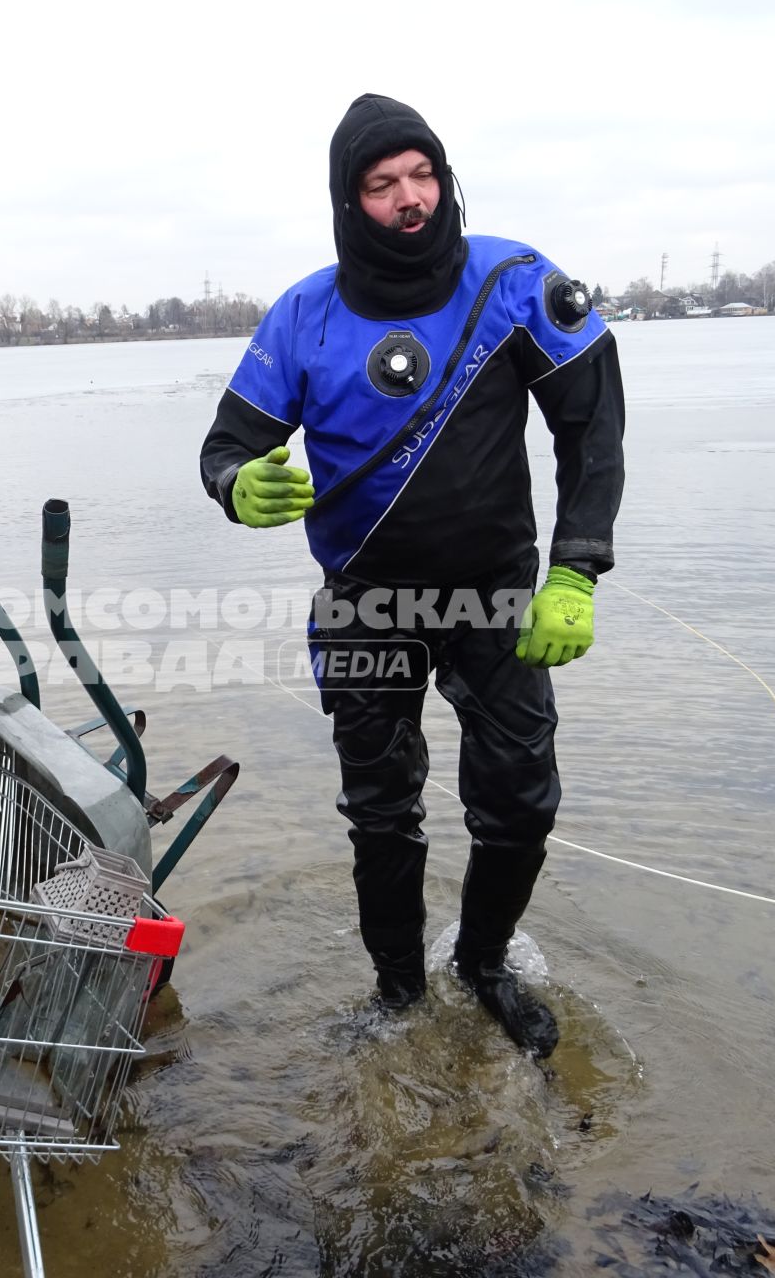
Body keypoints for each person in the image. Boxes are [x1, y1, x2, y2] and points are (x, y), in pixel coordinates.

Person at [199, 94, 624, 1059]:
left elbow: (591, 425)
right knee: (381, 812)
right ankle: (396, 996)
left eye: (422, 175)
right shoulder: (304, 315)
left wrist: (577, 570)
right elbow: (226, 447)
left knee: (519, 800)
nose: (409, 198)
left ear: (446, 180)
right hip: (366, 600)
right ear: (350, 201)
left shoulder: (514, 282)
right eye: (382, 183)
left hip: (498, 595)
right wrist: (240, 484)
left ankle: (481, 965)